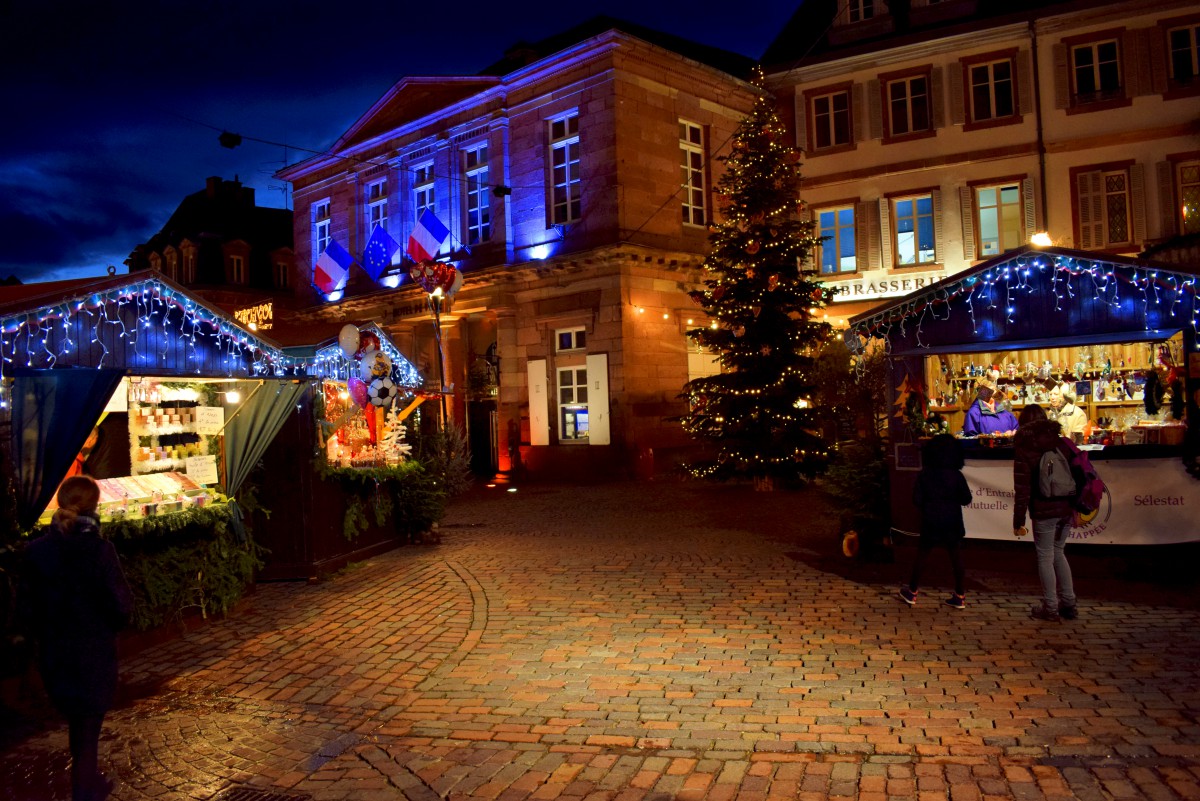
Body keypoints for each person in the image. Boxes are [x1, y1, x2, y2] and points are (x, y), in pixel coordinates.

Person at [22, 475, 132, 801]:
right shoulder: (99, 550)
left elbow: (26, 607)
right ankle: (86, 787)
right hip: (92, 651)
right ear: (95, 507)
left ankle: (87, 779)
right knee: (87, 722)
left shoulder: (36, 551)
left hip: (55, 651)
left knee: (77, 720)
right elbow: (120, 605)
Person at [1011, 404, 1078, 622]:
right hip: (1066, 507)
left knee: (1045, 556)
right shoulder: (1061, 442)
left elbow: (1022, 489)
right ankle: (1069, 602)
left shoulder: (1024, 448)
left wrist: (1018, 520)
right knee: (1059, 552)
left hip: (1043, 509)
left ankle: (1050, 607)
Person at [898, 434, 973, 609]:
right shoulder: (957, 476)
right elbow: (966, 499)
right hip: (952, 521)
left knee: (922, 556)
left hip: (931, 519)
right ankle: (960, 595)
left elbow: (916, 499)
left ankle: (912, 591)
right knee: (956, 559)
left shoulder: (925, 475)